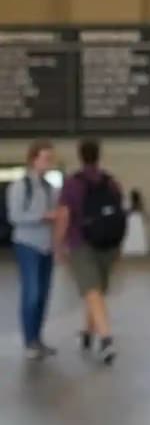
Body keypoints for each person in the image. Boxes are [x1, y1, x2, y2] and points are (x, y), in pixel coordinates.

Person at [54, 138, 125, 365]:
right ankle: (87, 332)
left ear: (80, 155)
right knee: (95, 294)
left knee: (92, 292)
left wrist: (58, 244)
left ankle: (106, 340)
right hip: (109, 245)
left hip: (81, 243)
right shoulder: (111, 182)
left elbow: (64, 216)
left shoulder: (73, 183)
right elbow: (119, 214)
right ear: (98, 155)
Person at [6, 139, 59, 360]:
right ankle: (29, 341)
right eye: (45, 158)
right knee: (32, 292)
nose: (48, 162)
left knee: (44, 295)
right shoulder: (20, 187)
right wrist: (43, 217)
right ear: (33, 159)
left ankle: (38, 338)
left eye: (50, 158)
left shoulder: (50, 188)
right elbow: (14, 217)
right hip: (27, 245)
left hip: (47, 247)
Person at [121, 189, 150, 256]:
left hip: (131, 219)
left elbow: (126, 211)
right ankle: (139, 248)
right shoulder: (140, 203)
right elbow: (142, 211)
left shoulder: (129, 202)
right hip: (138, 219)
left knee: (130, 234)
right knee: (138, 234)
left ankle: (130, 249)